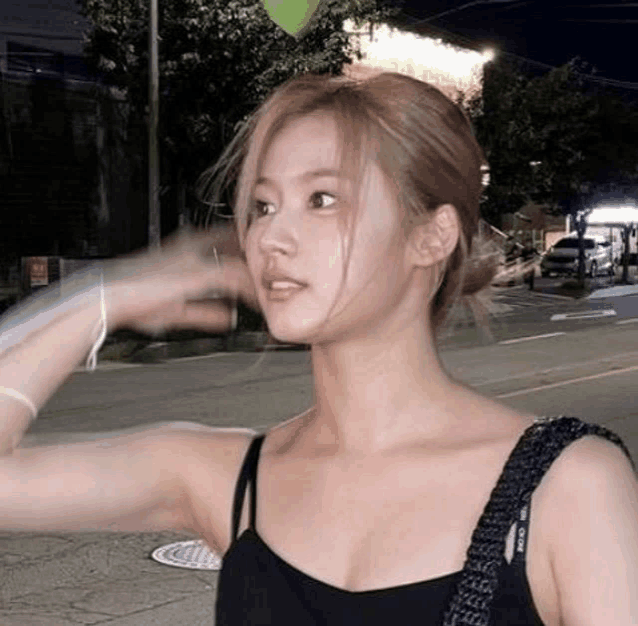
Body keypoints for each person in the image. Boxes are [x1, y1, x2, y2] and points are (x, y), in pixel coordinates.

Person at [0, 71, 636, 626]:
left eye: (321, 199)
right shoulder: (224, 479)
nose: (271, 235)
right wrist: (99, 299)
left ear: (431, 235)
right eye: (263, 205)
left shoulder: (567, 488)